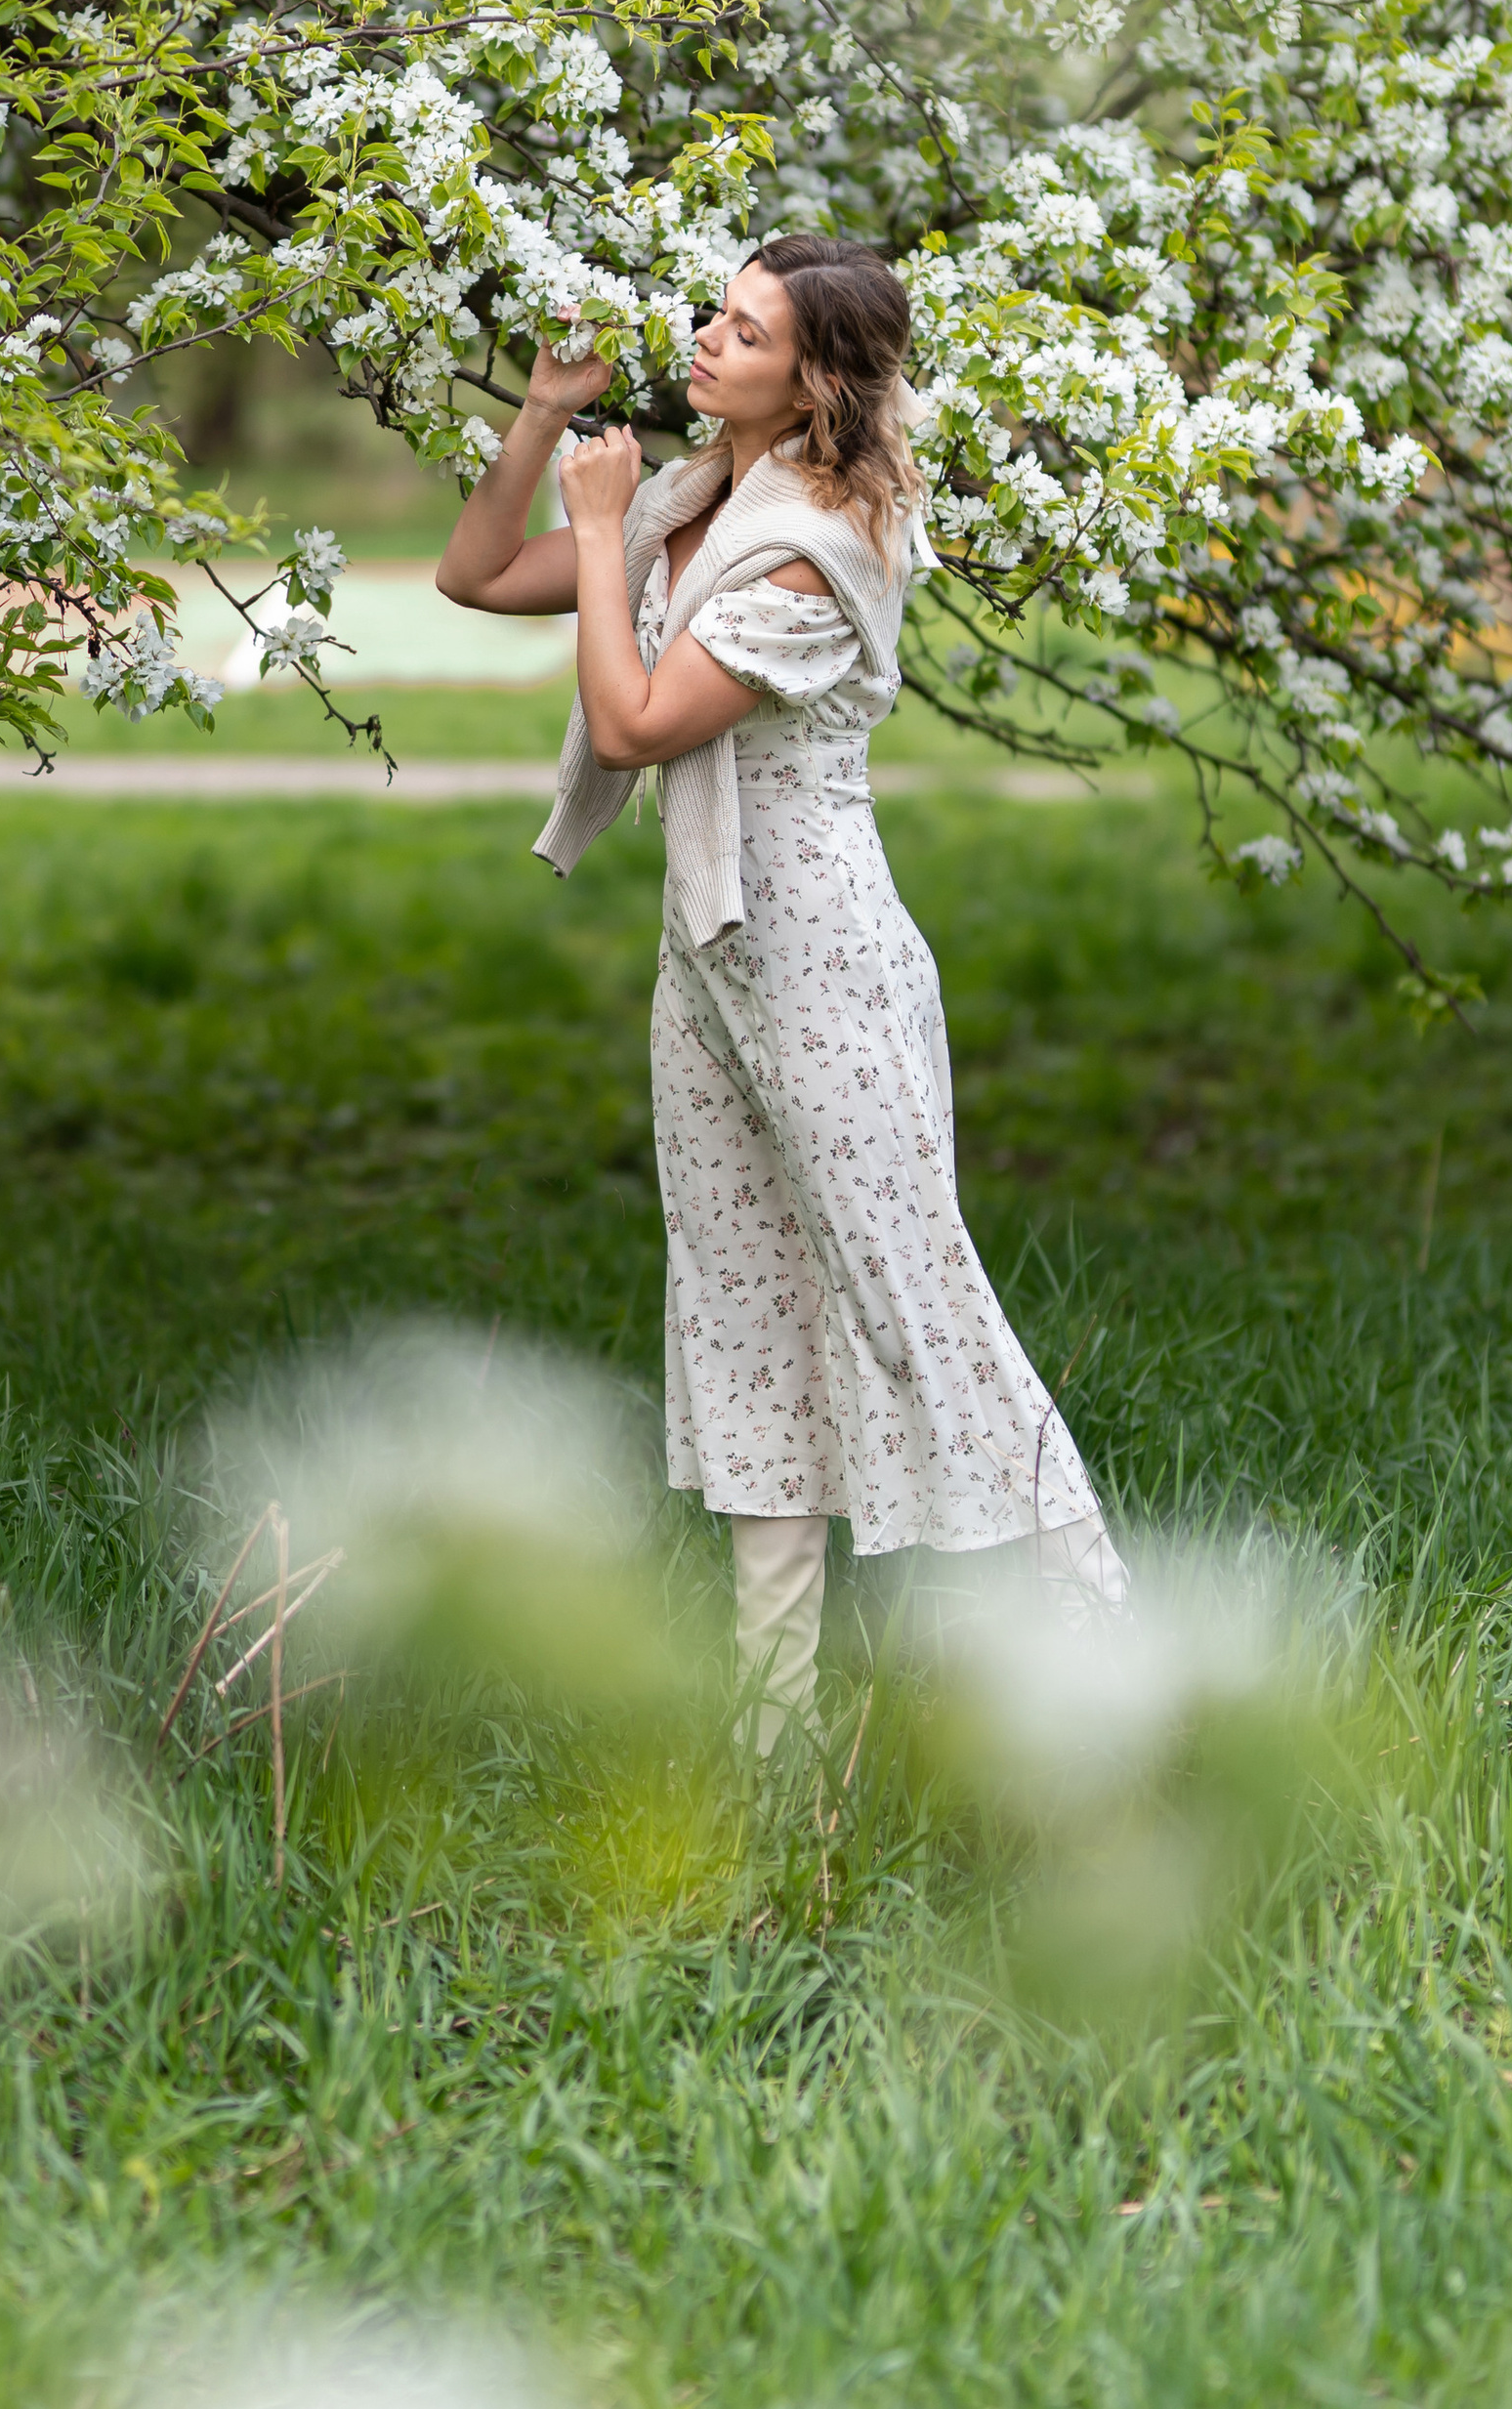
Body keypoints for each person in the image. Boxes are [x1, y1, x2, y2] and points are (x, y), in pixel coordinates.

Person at [437, 232, 1125, 1752]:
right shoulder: (698, 501)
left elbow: (632, 728)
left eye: (741, 333)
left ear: (810, 379)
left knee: (916, 1311)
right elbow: (475, 574)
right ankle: (775, 1742)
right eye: (712, 311)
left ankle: (1109, 1668)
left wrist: (605, 524)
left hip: (824, 964)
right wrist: (549, 416)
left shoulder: (818, 545)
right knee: (743, 1315)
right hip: (711, 956)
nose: (702, 340)